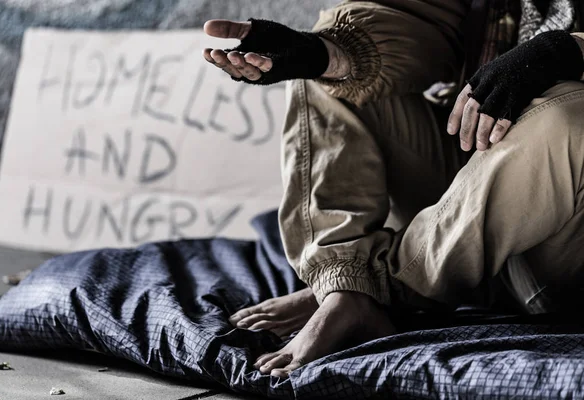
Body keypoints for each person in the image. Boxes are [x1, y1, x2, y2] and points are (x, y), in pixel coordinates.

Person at [202, 0, 584, 378]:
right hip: (465, 204)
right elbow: (424, 16)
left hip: (560, 245)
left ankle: (383, 289)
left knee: (566, 118)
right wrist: (326, 54)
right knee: (328, 77)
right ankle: (345, 286)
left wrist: (568, 50)